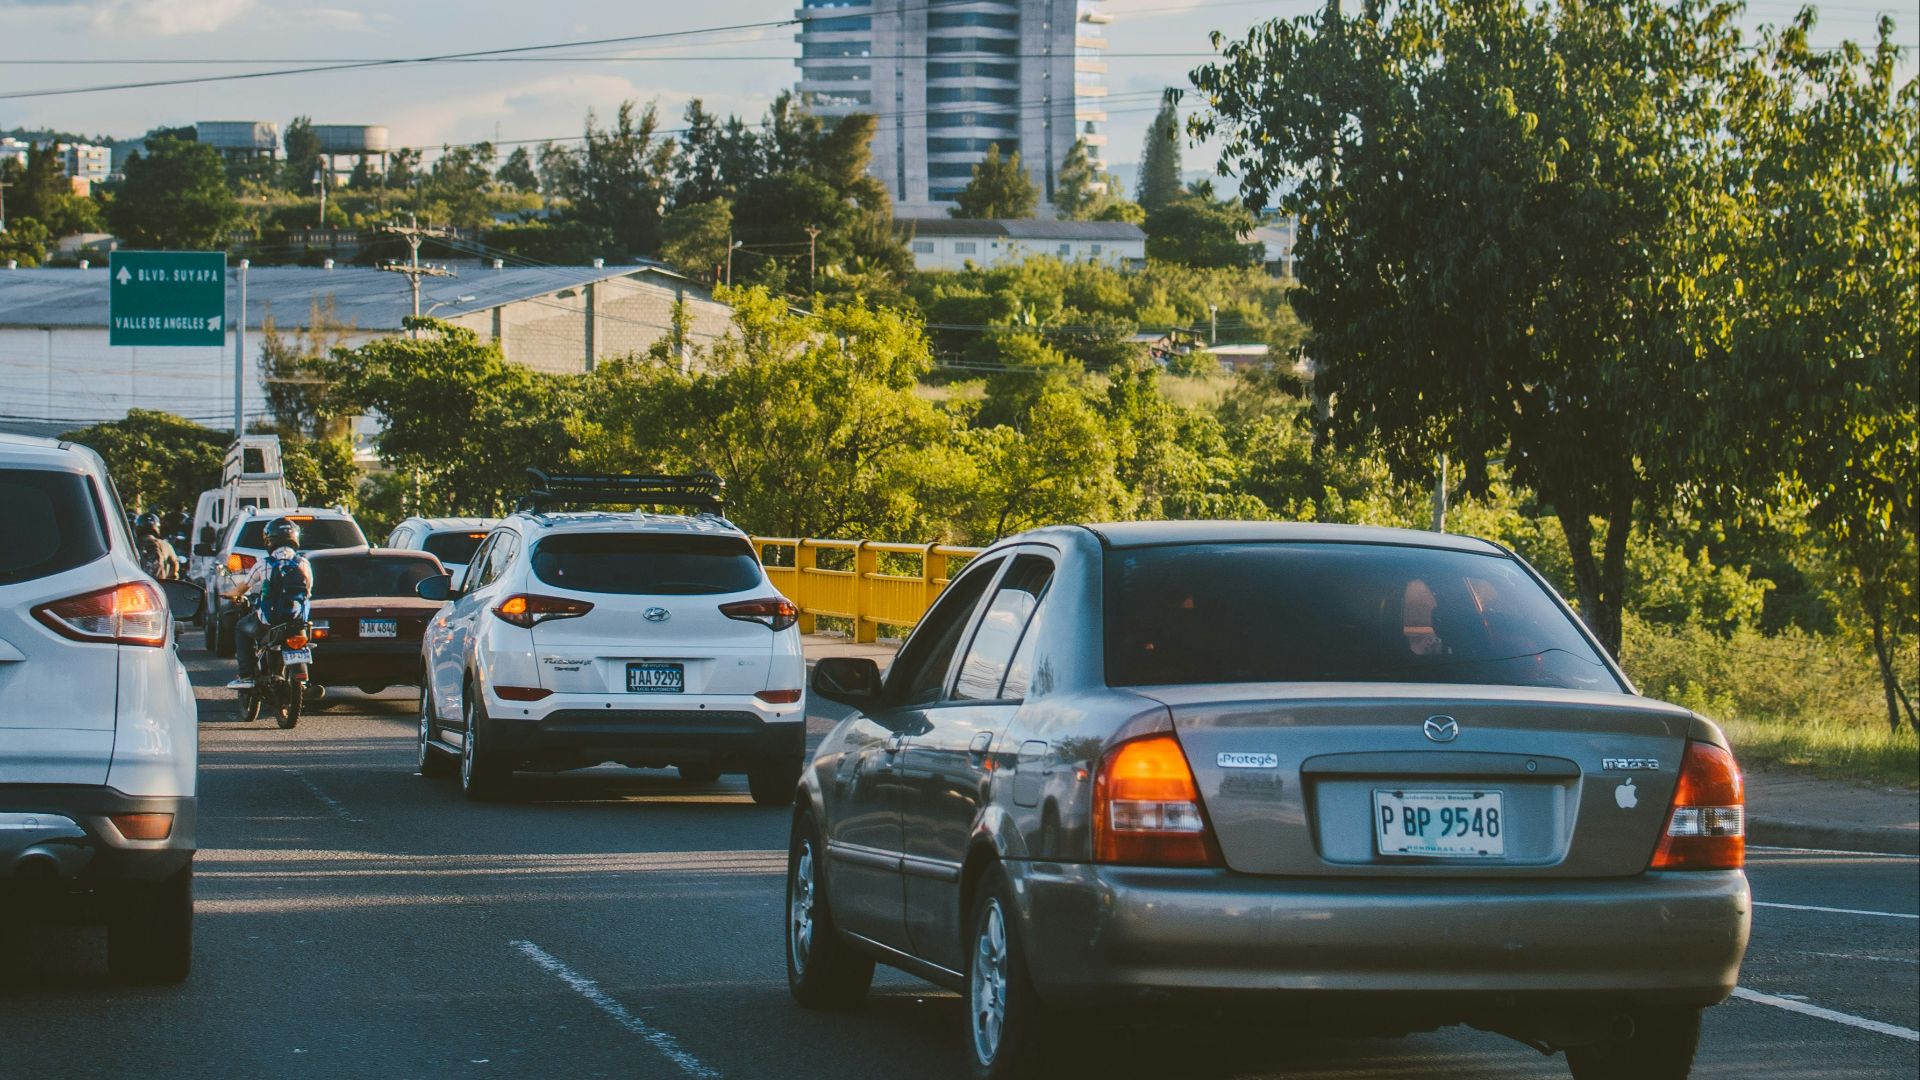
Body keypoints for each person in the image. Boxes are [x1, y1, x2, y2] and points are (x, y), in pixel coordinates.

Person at [224, 518, 313, 691]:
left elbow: (243, 587)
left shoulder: (263, 563)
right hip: (297, 621)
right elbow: (308, 592)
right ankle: (302, 679)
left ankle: (246, 675)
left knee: (241, 628)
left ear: (269, 539)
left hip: (269, 621)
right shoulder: (304, 563)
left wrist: (230, 595)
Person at [134, 511, 181, 581]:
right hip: (159, 585)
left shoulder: (133, 544)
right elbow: (175, 566)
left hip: (137, 584)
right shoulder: (166, 545)